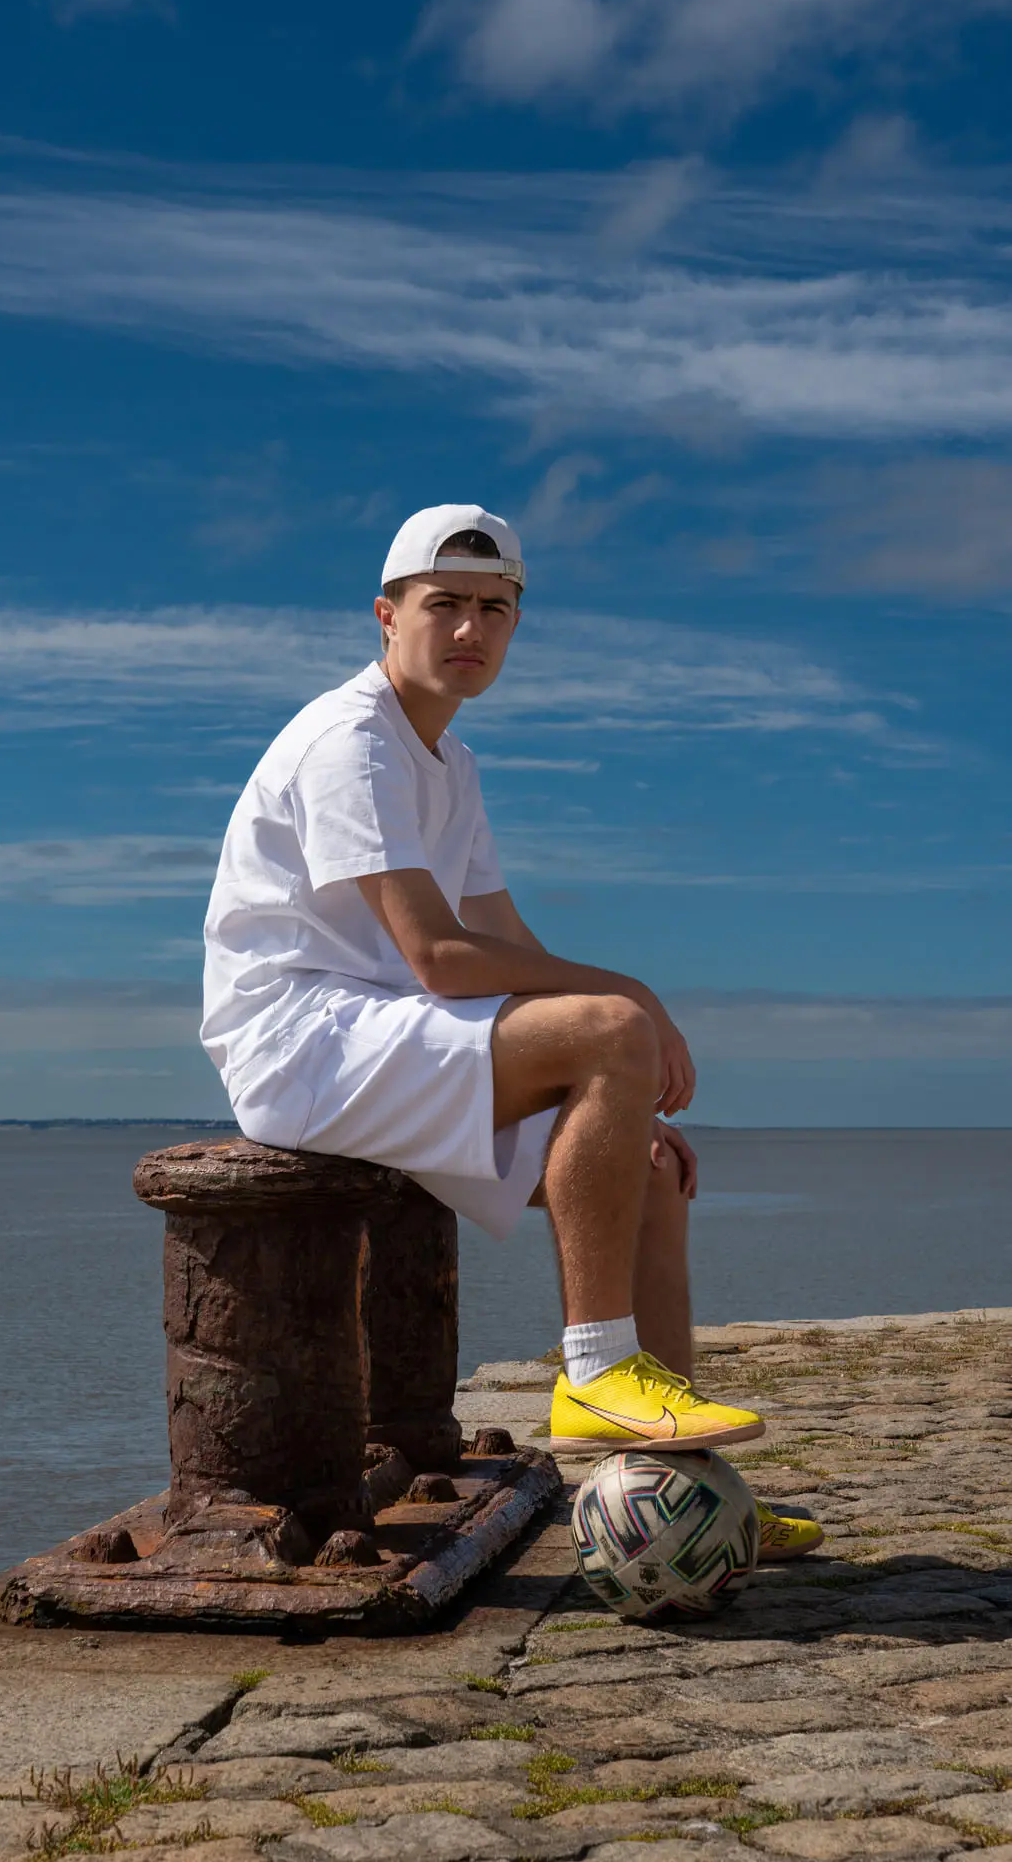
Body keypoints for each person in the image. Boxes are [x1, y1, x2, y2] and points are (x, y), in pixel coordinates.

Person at [202, 503, 821, 1562]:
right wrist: (626, 1004)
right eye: (443, 605)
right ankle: (594, 1369)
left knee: (653, 1176)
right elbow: (440, 956)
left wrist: (613, 1106)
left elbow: (501, 939)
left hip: (391, 1029)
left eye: (495, 609)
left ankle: (691, 1503)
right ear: (386, 615)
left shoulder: (451, 760)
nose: (469, 631)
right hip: (303, 1039)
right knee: (612, 1024)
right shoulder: (352, 740)